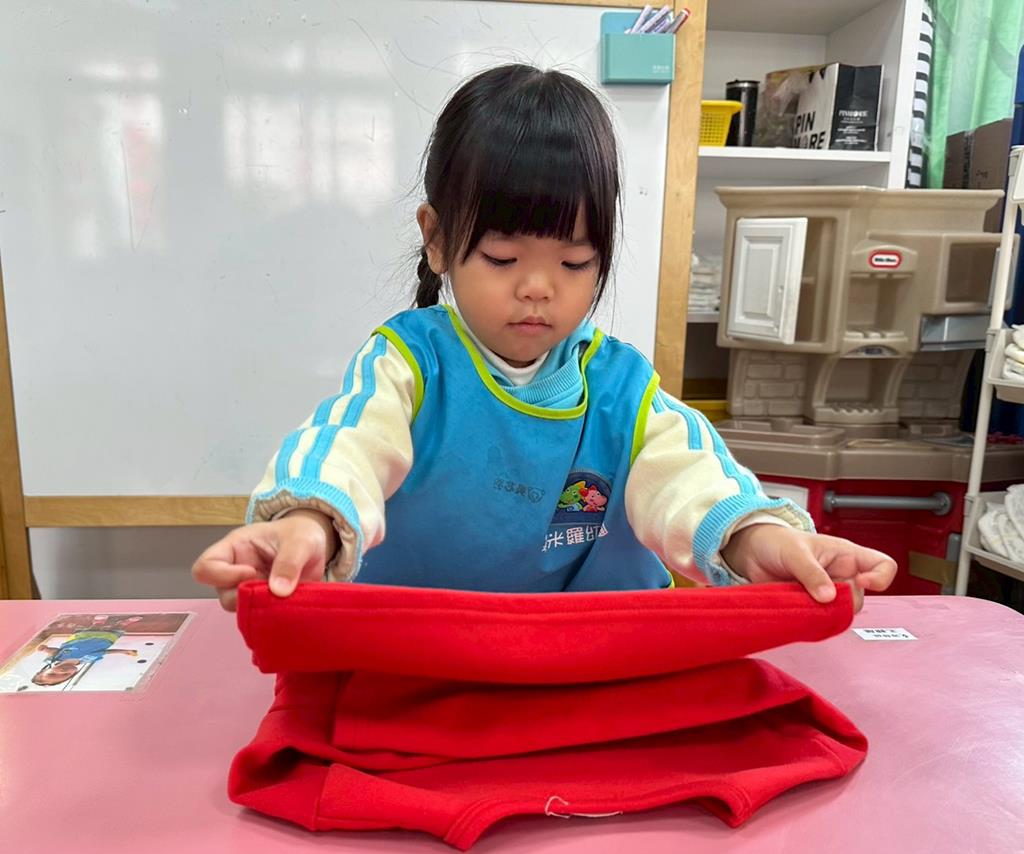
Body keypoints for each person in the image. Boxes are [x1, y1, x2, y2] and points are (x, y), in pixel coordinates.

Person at [193, 64, 895, 611]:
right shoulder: (408, 364)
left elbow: (693, 479)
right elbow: (348, 446)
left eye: (575, 262)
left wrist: (756, 538)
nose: (538, 288)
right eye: (503, 258)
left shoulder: (622, 390)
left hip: (585, 666)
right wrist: (309, 524)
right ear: (437, 240)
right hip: (418, 655)